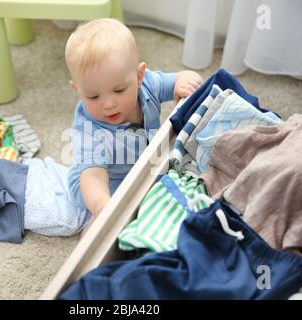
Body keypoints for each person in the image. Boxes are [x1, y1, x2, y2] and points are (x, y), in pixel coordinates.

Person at [65, 18, 203, 235]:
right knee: (130, 209)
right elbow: (92, 176)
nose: (108, 103)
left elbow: (178, 78)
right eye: (92, 96)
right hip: (107, 180)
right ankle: (97, 222)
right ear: (78, 90)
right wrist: (101, 205)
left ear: (139, 76)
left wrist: (185, 82)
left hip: (145, 162)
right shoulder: (89, 128)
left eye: (119, 90)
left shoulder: (148, 84)